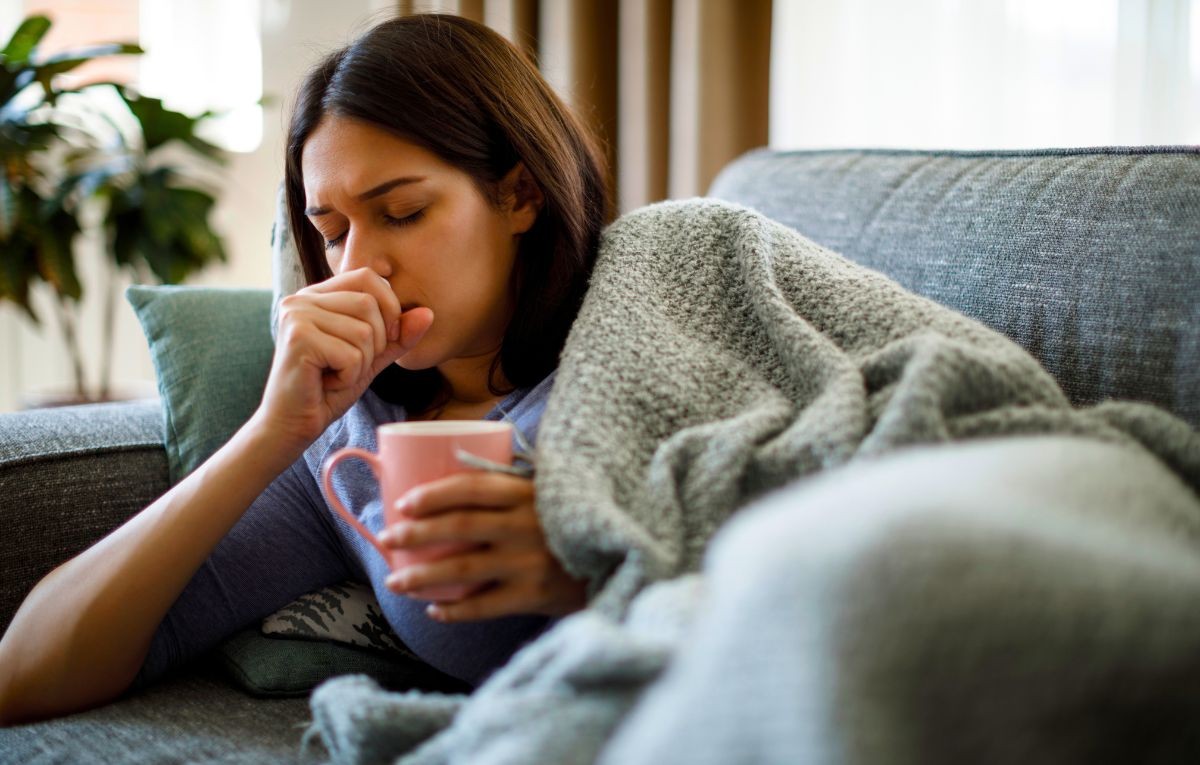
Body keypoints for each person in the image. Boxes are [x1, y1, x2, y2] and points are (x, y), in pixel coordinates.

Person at [0, 13, 610, 725]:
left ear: (520, 195)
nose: (357, 268)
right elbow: (23, 674)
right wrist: (271, 433)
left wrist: (593, 574)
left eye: (404, 212)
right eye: (333, 233)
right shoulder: (348, 450)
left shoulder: (638, 339)